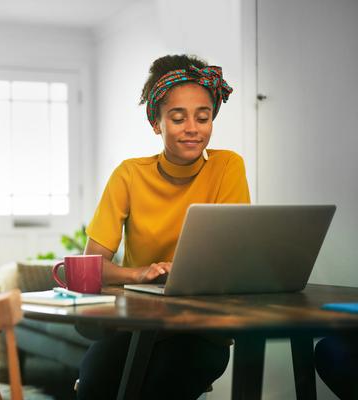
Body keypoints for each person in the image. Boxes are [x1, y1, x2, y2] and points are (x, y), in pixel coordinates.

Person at [77, 54, 250, 399]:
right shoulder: (129, 174)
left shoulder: (228, 166)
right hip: (137, 324)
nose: (192, 128)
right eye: (177, 117)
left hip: (201, 328)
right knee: (94, 386)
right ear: (156, 123)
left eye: (203, 117)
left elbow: (234, 259)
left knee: (158, 387)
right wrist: (139, 274)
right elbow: (91, 267)